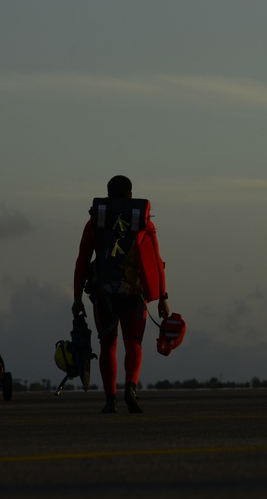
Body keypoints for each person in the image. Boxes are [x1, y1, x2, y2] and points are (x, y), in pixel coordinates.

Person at [73, 175, 170, 413]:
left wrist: (77, 298)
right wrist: (162, 297)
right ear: (131, 195)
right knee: (133, 343)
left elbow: (82, 260)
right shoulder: (143, 222)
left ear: (107, 195)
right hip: (134, 293)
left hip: (103, 295)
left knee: (108, 345)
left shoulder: (95, 221)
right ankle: (131, 389)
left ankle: (110, 399)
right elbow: (155, 260)